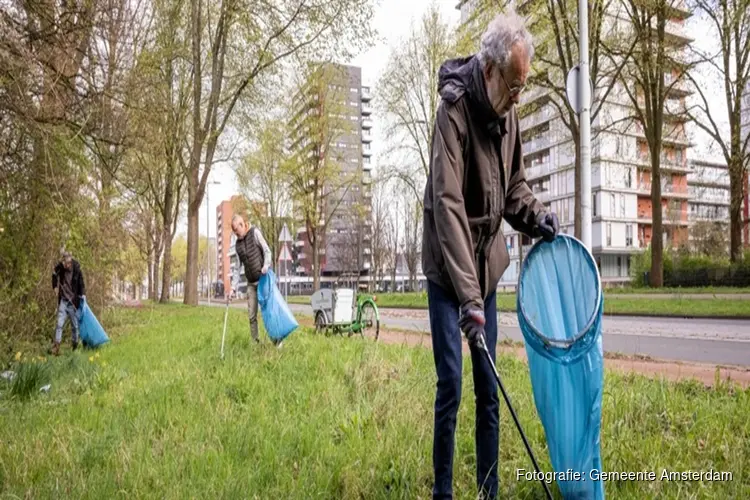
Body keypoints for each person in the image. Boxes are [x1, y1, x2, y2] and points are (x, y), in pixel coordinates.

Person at [421, 11, 559, 500]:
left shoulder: (510, 112)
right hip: (448, 268)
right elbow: (448, 204)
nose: (519, 96)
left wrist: (536, 215)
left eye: (524, 87)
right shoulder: (452, 113)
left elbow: (514, 186)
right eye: (515, 85)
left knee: (489, 387)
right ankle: (443, 491)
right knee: (453, 383)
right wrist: (468, 299)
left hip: (487, 266)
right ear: (490, 70)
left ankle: (488, 491)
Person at [230, 214, 280, 346]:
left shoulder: (255, 233)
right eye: (234, 231)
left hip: (263, 280)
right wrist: (233, 287)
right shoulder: (238, 245)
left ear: (242, 224)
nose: (236, 234)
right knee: (252, 315)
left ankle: (277, 340)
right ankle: (255, 342)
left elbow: (267, 251)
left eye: (236, 230)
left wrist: (266, 265)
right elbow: (237, 268)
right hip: (251, 284)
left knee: (268, 313)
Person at [51, 251, 86, 356]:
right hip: (63, 300)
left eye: (68, 264)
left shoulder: (76, 269)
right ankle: (56, 347)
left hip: (73, 303)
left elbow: (81, 283)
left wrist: (83, 295)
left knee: (74, 326)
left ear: (70, 262)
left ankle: (75, 346)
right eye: (65, 264)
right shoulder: (61, 267)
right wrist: (55, 286)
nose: (66, 266)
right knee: (59, 324)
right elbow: (53, 274)